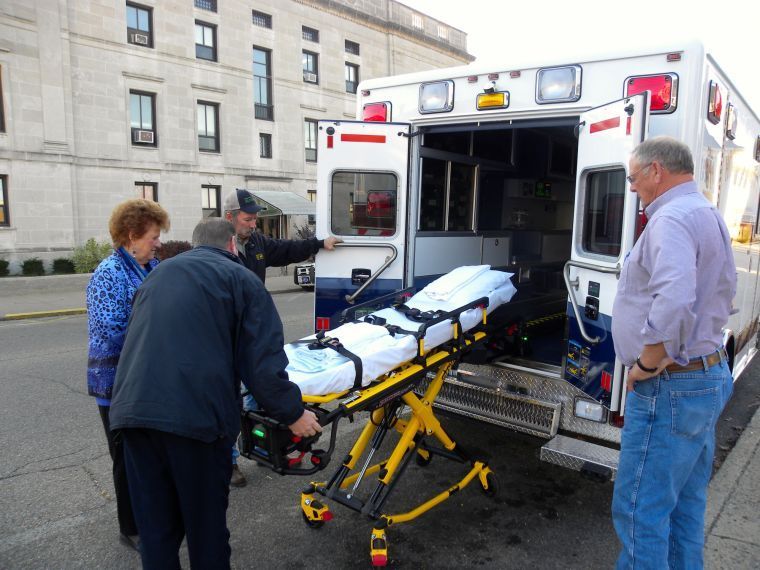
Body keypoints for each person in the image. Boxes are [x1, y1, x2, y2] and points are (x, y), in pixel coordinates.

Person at [109, 218, 321, 570]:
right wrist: (294, 414)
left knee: (157, 528)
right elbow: (262, 363)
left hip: (133, 416)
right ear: (232, 246)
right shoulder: (241, 280)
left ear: (194, 244)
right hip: (195, 423)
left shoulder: (157, 276)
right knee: (205, 529)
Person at [610, 136, 736, 569]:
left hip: (671, 385)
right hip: (705, 376)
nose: (631, 187)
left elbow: (676, 296)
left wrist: (647, 361)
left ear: (656, 170)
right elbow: (722, 289)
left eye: (633, 177)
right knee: (683, 506)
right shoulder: (705, 213)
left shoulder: (670, 219)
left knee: (639, 512)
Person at [223, 188, 341, 486]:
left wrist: (318, 244)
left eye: (255, 220)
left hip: (250, 336)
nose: (253, 225)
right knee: (226, 402)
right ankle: (228, 463)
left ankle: (261, 445)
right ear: (229, 218)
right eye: (248, 219)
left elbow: (286, 249)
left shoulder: (257, 243)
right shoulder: (217, 247)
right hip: (223, 339)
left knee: (257, 395)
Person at [86, 198, 170, 552]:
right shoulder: (109, 272)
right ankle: (130, 527)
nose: (157, 243)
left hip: (145, 374)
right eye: (153, 236)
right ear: (132, 235)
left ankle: (152, 516)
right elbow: (111, 328)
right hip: (118, 380)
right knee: (125, 456)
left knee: (149, 453)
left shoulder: (149, 267)